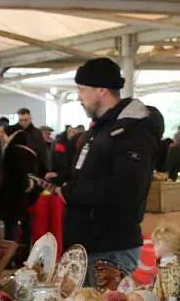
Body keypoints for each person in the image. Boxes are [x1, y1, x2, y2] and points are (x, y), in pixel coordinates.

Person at [59, 58, 156, 281]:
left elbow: (127, 190)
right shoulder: (100, 131)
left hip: (111, 249)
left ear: (101, 90)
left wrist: (72, 192)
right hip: (88, 246)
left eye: (82, 89)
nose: (78, 96)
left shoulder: (132, 133)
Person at [0, 123, 44, 251]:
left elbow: (14, 176)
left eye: (3, 134)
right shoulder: (28, 150)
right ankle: (24, 256)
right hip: (24, 196)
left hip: (11, 196)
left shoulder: (12, 151)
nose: (1, 137)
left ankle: (9, 257)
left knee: (11, 231)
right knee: (25, 229)